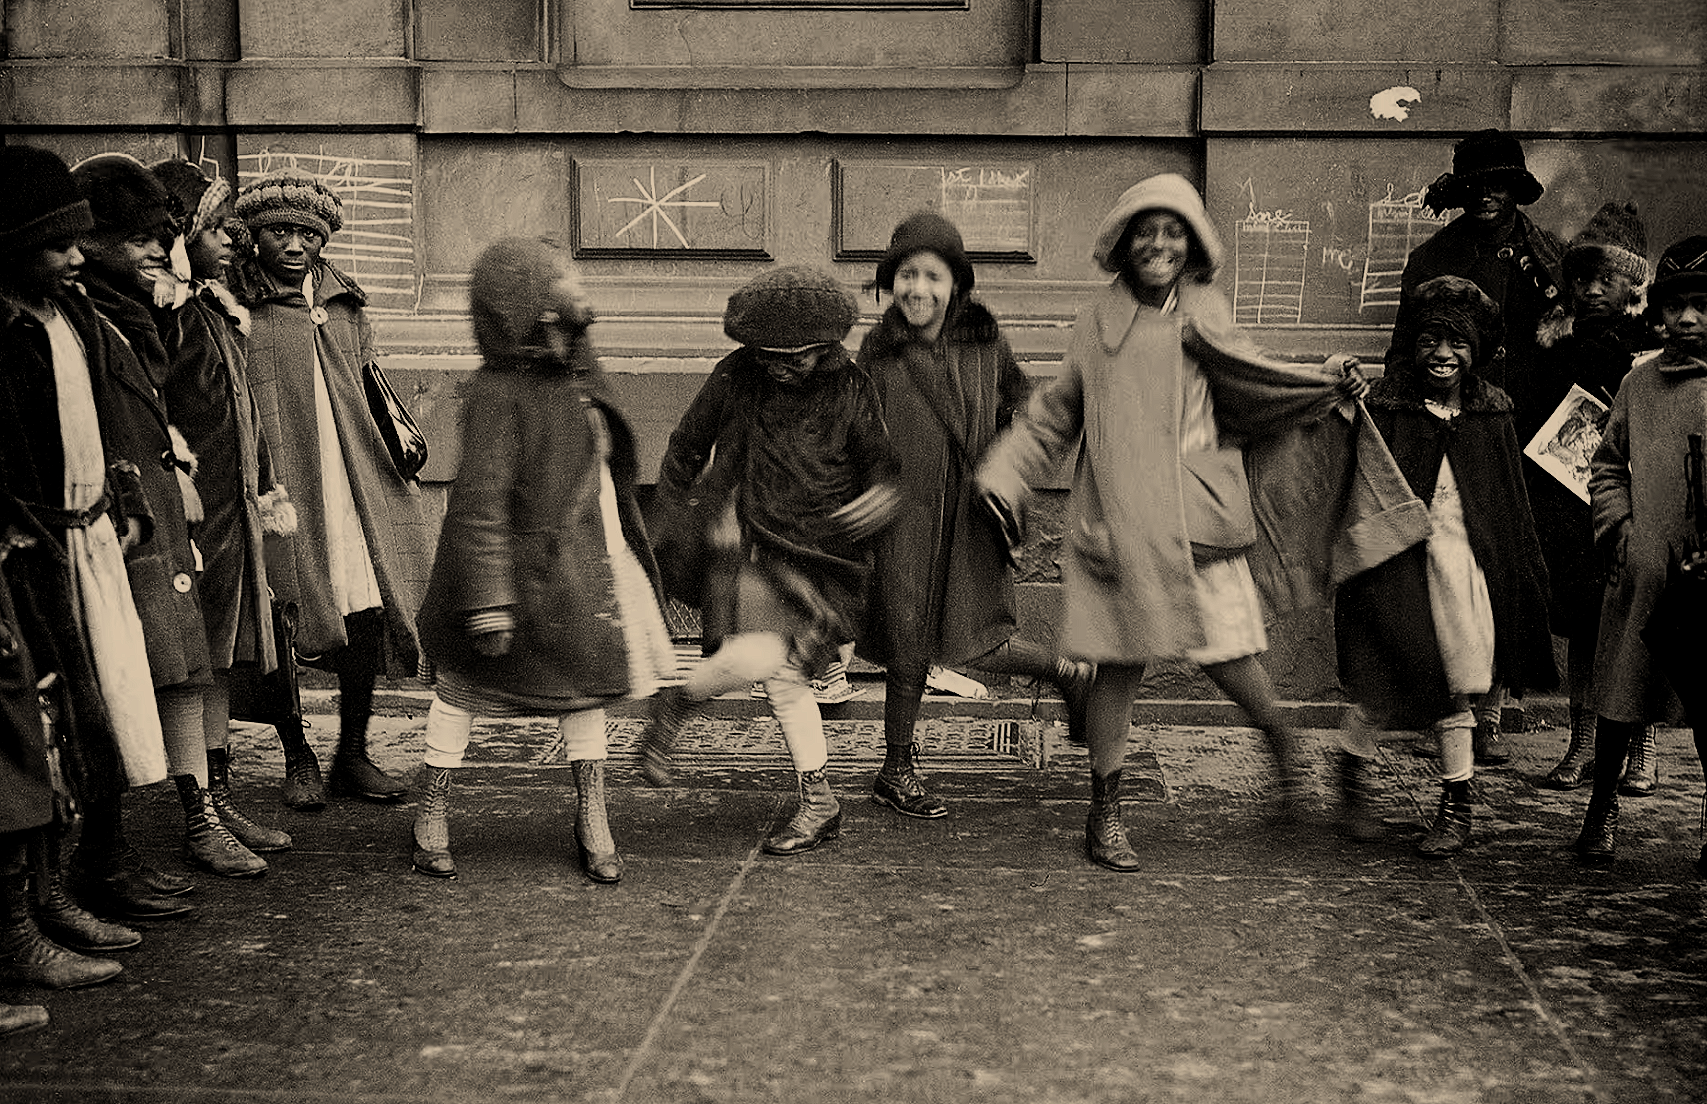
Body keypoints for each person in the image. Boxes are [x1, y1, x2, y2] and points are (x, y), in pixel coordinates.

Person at [975, 174, 1366, 873]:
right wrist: (1005, 472)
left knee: (1229, 652)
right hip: (1121, 527)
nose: (1158, 243)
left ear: (1191, 245)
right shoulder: (1096, 322)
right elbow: (1055, 413)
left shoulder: (1207, 310)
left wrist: (1325, 378)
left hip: (1199, 521)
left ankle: (1277, 738)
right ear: (1123, 244)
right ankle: (1105, 814)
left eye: (1173, 230)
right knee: (1115, 669)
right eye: (1145, 231)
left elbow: (1258, 381)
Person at [409, 237, 675, 882]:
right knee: (461, 691)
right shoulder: (497, 393)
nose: (576, 297)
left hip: (582, 566)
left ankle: (592, 810)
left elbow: (608, 464)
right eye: (559, 289)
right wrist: (490, 601)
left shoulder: (582, 373)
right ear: (526, 314)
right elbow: (480, 505)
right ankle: (433, 807)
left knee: (582, 690)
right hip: (510, 576)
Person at [640, 266, 901, 856]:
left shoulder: (852, 388)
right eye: (771, 356)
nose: (785, 367)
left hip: (826, 556)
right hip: (753, 547)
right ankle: (819, 797)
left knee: (765, 663)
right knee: (779, 670)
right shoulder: (734, 378)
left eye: (799, 356)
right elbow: (685, 447)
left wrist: (882, 497)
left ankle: (681, 701)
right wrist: (682, 518)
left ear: (826, 347)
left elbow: (883, 466)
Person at [0, 144, 178, 961]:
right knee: (44, 728)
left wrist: (126, 497)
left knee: (102, 711)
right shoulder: (3, 331)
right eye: (56, 244)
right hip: (31, 559)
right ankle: (38, 901)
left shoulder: (70, 313)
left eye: (79, 242)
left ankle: (96, 868)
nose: (76, 256)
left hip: (93, 542)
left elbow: (110, 417)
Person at [71, 152, 266, 891]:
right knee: (131, 677)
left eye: (169, 232)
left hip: (178, 511)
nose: (163, 246)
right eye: (147, 235)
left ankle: (204, 807)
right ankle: (134, 845)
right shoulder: (107, 313)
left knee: (192, 663)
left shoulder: (156, 307)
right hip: (131, 524)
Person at [856, 211, 1091, 819]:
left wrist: (1007, 473)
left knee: (977, 639)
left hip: (969, 518)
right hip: (902, 522)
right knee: (906, 641)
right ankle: (896, 767)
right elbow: (854, 430)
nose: (917, 290)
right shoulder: (876, 352)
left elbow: (1027, 407)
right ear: (890, 279)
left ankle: (1065, 671)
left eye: (932, 276)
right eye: (906, 274)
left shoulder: (986, 343)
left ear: (955, 284)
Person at [1336, 276, 1558, 857]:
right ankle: (1351, 782)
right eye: (1431, 340)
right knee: (1382, 688)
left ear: (1476, 349)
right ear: (1412, 344)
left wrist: (1522, 580)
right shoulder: (1386, 407)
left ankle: (1456, 809)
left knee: (1454, 688)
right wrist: (1341, 376)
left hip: (1464, 571)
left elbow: (1508, 507)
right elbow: (1349, 477)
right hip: (1395, 572)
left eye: (1457, 342)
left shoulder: (1491, 414)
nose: (1443, 354)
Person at [234, 168, 432, 809]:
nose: (294, 246)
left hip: (353, 481)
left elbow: (366, 385)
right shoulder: (239, 309)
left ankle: (352, 751)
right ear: (255, 239)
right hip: (285, 487)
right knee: (285, 609)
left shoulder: (345, 302)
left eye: (307, 234)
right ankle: (297, 755)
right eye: (279, 233)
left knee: (365, 608)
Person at [1392, 130, 1564, 764]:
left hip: (1530, 432)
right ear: (1459, 190)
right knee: (1448, 565)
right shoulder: (1433, 258)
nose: (1488, 195)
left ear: (1515, 188)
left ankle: (1490, 708)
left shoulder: (1549, 260)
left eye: (1501, 183)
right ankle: (1450, 706)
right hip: (1453, 430)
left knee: (1510, 568)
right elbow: (1403, 352)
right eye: (1476, 184)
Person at [152, 158, 299, 866]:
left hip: (229, 516)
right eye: (215, 226)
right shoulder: (169, 317)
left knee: (215, 661)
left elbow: (243, 415)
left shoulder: (212, 308)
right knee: (189, 663)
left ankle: (219, 796)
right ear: (180, 233)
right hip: (190, 521)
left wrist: (265, 488)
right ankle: (195, 817)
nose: (234, 238)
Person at [1575, 235, 1707, 876]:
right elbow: (1606, 466)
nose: (1686, 319)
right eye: (1676, 305)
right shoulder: (1639, 384)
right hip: (1643, 563)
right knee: (1621, 692)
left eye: (1702, 305)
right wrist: (1619, 524)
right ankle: (1602, 806)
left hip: (1705, 577)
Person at [1523, 202, 1663, 793]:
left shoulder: (1651, 351)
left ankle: (1644, 746)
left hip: (1639, 505)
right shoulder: (1554, 345)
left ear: (1632, 284)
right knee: (1585, 627)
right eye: (1582, 278)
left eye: (1607, 279)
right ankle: (1580, 743)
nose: (1592, 290)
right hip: (1571, 507)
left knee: (1642, 622)